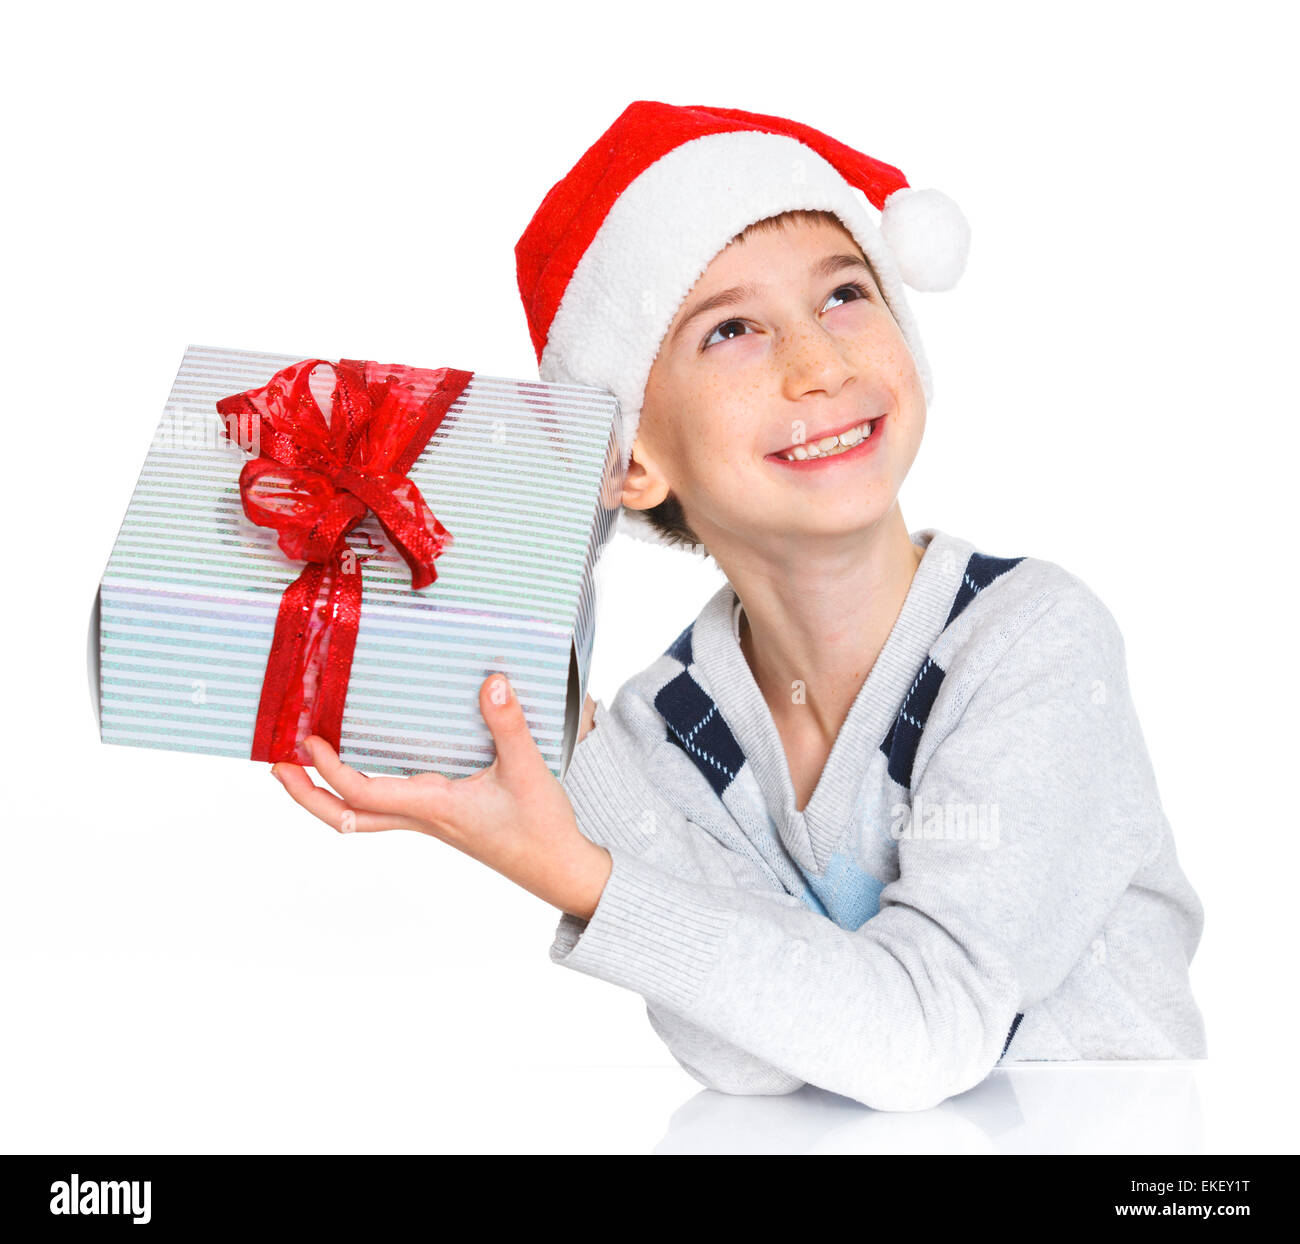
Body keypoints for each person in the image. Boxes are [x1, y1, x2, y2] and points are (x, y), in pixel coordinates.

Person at [269, 101, 1207, 1111]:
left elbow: (920, 1035)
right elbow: (751, 1057)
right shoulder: (662, 727)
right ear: (628, 461)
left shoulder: (1028, 642)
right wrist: (553, 746)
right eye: (732, 329)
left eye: (845, 294)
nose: (819, 365)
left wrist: (582, 874)